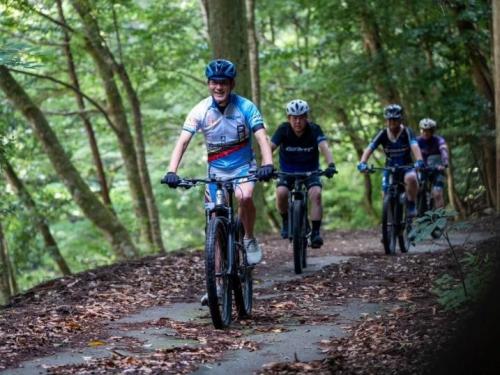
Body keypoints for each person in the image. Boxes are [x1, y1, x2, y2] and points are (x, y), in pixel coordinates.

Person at [162, 59, 274, 267]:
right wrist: (172, 171)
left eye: (223, 82)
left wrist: (267, 163)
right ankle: (217, 283)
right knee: (214, 218)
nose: (218, 87)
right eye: (214, 82)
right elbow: (183, 141)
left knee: (245, 196)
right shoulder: (200, 110)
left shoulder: (246, 107)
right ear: (208, 84)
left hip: (243, 167)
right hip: (216, 171)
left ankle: (248, 238)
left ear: (232, 84)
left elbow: (261, 137)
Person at [270, 99, 337, 248]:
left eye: (301, 117)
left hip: (310, 170)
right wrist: (265, 165)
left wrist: (331, 164)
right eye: (294, 118)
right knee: (281, 193)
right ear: (289, 118)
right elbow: (270, 147)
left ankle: (315, 232)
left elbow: (324, 146)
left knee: (316, 194)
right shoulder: (283, 130)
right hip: (287, 171)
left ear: (306, 117)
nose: (298, 121)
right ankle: (286, 221)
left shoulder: (314, 129)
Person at [357, 104, 424, 217]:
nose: (392, 122)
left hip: (406, 166)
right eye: (389, 120)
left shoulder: (407, 131)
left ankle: (411, 204)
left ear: (400, 119)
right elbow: (370, 147)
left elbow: (414, 146)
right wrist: (363, 162)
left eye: (395, 120)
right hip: (389, 167)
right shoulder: (382, 133)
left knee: (412, 178)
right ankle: (390, 223)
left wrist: (419, 160)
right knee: (385, 194)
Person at [417, 118, 449, 208]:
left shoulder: (439, 140)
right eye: (423, 130)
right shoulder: (417, 141)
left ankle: (440, 219)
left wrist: (445, 162)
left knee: (437, 193)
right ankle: (416, 211)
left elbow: (444, 150)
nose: (425, 133)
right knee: (417, 188)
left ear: (432, 131)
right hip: (423, 169)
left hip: (438, 169)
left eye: (428, 131)